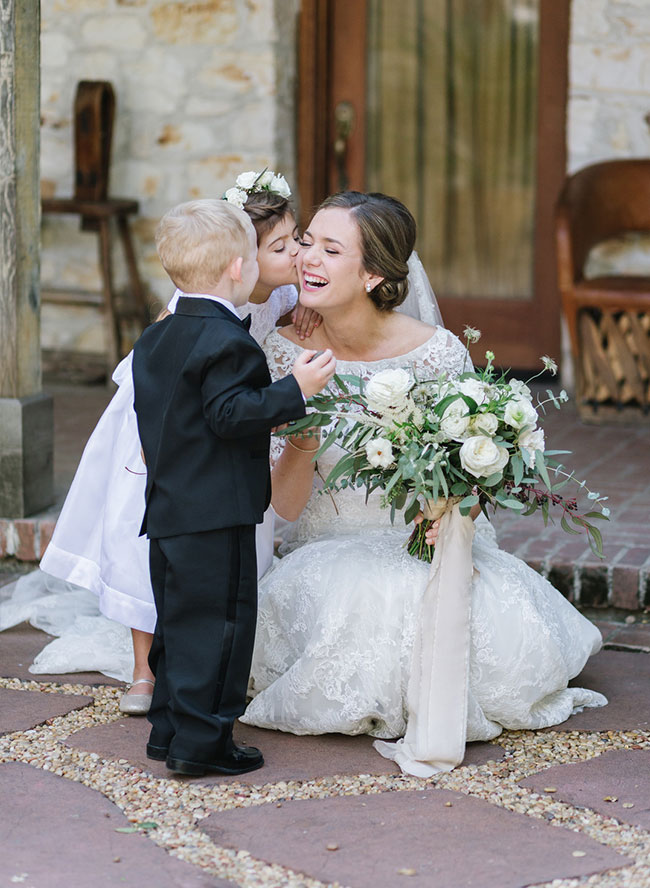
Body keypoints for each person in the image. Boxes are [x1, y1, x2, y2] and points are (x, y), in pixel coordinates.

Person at [240, 190, 607, 777]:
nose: (308, 258)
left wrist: (452, 521)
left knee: (471, 611)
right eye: (307, 241)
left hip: (427, 539)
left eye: (332, 249)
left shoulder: (435, 353)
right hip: (326, 547)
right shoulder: (279, 353)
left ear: (372, 275)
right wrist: (302, 442)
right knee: (366, 601)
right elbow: (284, 506)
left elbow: (468, 473)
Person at [0, 172, 317, 715]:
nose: (297, 255)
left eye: (298, 240)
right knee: (144, 541)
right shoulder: (194, 301)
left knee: (226, 555)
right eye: (281, 247)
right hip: (164, 426)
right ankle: (144, 670)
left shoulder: (283, 291)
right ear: (243, 261)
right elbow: (164, 372)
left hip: (226, 432)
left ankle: (214, 661)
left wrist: (305, 306)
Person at [132, 197, 335, 776]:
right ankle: (203, 745)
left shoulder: (159, 336)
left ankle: (168, 730)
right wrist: (294, 388)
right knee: (218, 629)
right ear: (237, 269)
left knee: (176, 625)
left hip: (169, 508)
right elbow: (229, 414)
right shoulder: (227, 341)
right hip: (214, 514)